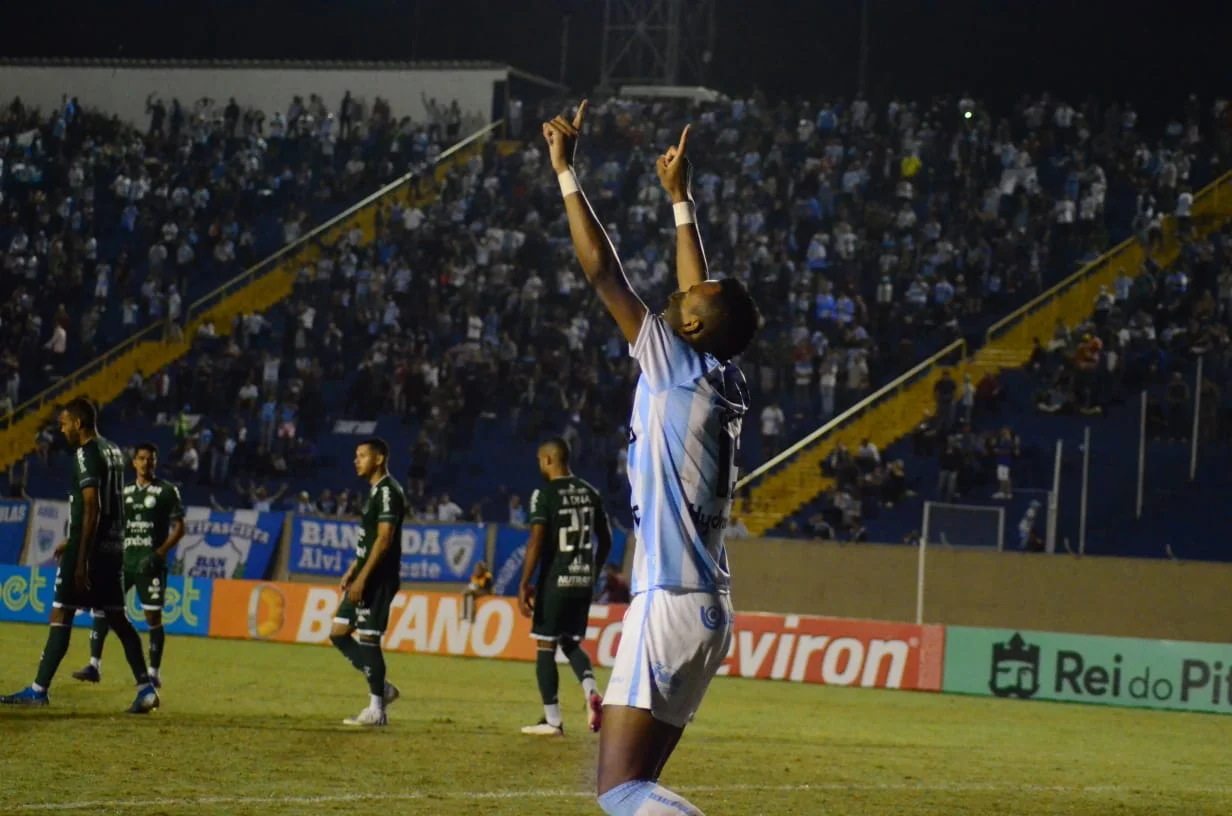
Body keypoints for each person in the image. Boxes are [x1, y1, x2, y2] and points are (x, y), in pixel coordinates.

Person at [543, 104, 760, 814]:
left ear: (692, 324)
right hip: (706, 607)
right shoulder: (720, 374)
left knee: (620, 793)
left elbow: (601, 272)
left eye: (693, 295)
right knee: (637, 786)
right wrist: (678, 201)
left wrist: (567, 172)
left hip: (666, 602)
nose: (685, 287)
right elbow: (702, 296)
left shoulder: (674, 365)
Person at [1, 398, 160, 713]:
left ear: (79, 423)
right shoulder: (113, 450)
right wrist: (72, 540)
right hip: (113, 547)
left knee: (61, 612)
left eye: (64, 423)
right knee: (118, 618)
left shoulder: (86, 453)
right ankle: (146, 689)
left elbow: (91, 506)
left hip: (91, 552)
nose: (61, 429)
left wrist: (81, 555)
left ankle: (38, 690)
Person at [517, 437, 612, 736]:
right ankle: (591, 691)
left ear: (548, 459)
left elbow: (537, 539)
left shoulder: (544, 495)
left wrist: (524, 583)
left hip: (556, 580)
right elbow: (607, 538)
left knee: (545, 644)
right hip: (582, 580)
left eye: (539, 460)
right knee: (569, 641)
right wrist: (593, 573)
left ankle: (552, 720)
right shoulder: (590, 492)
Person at [72, 443, 185, 688]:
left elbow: (180, 528)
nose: (146, 463)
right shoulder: (124, 493)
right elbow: (106, 523)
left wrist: (159, 554)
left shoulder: (167, 491)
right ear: (133, 462)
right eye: (141, 459)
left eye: (151, 460)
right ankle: (94, 665)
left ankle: (154, 672)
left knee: (152, 616)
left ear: (156, 463)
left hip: (149, 564)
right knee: (103, 609)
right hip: (123, 562)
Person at [330, 438, 406, 726]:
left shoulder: (388, 492)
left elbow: (385, 539)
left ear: (379, 458)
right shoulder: (376, 492)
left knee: (369, 638)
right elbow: (372, 540)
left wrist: (363, 577)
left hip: (378, 578)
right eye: (355, 455)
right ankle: (383, 688)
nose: (356, 460)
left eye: (362, 455)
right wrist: (354, 568)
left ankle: (377, 709)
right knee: (339, 632)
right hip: (364, 573)